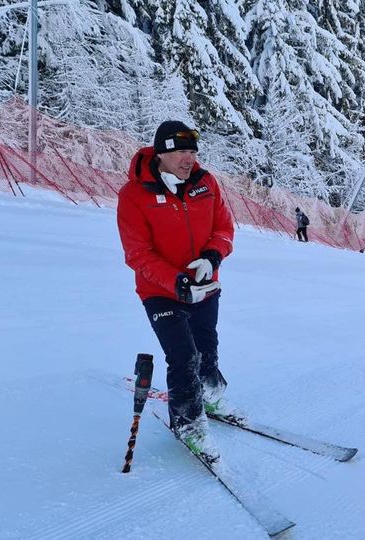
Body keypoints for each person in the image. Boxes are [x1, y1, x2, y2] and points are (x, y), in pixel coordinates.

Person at [117, 120, 240, 463]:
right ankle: (187, 421)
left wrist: (213, 255)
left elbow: (224, 228)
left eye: (192, 152)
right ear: (161, 154)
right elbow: (137, 253)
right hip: (160, 291)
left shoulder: (206, 183)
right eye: (181, 152)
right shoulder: (134, 194)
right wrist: (175, 281)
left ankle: (211, 394)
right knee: (183, 355)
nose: (190, 159)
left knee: (207, 345)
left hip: (204, 284)